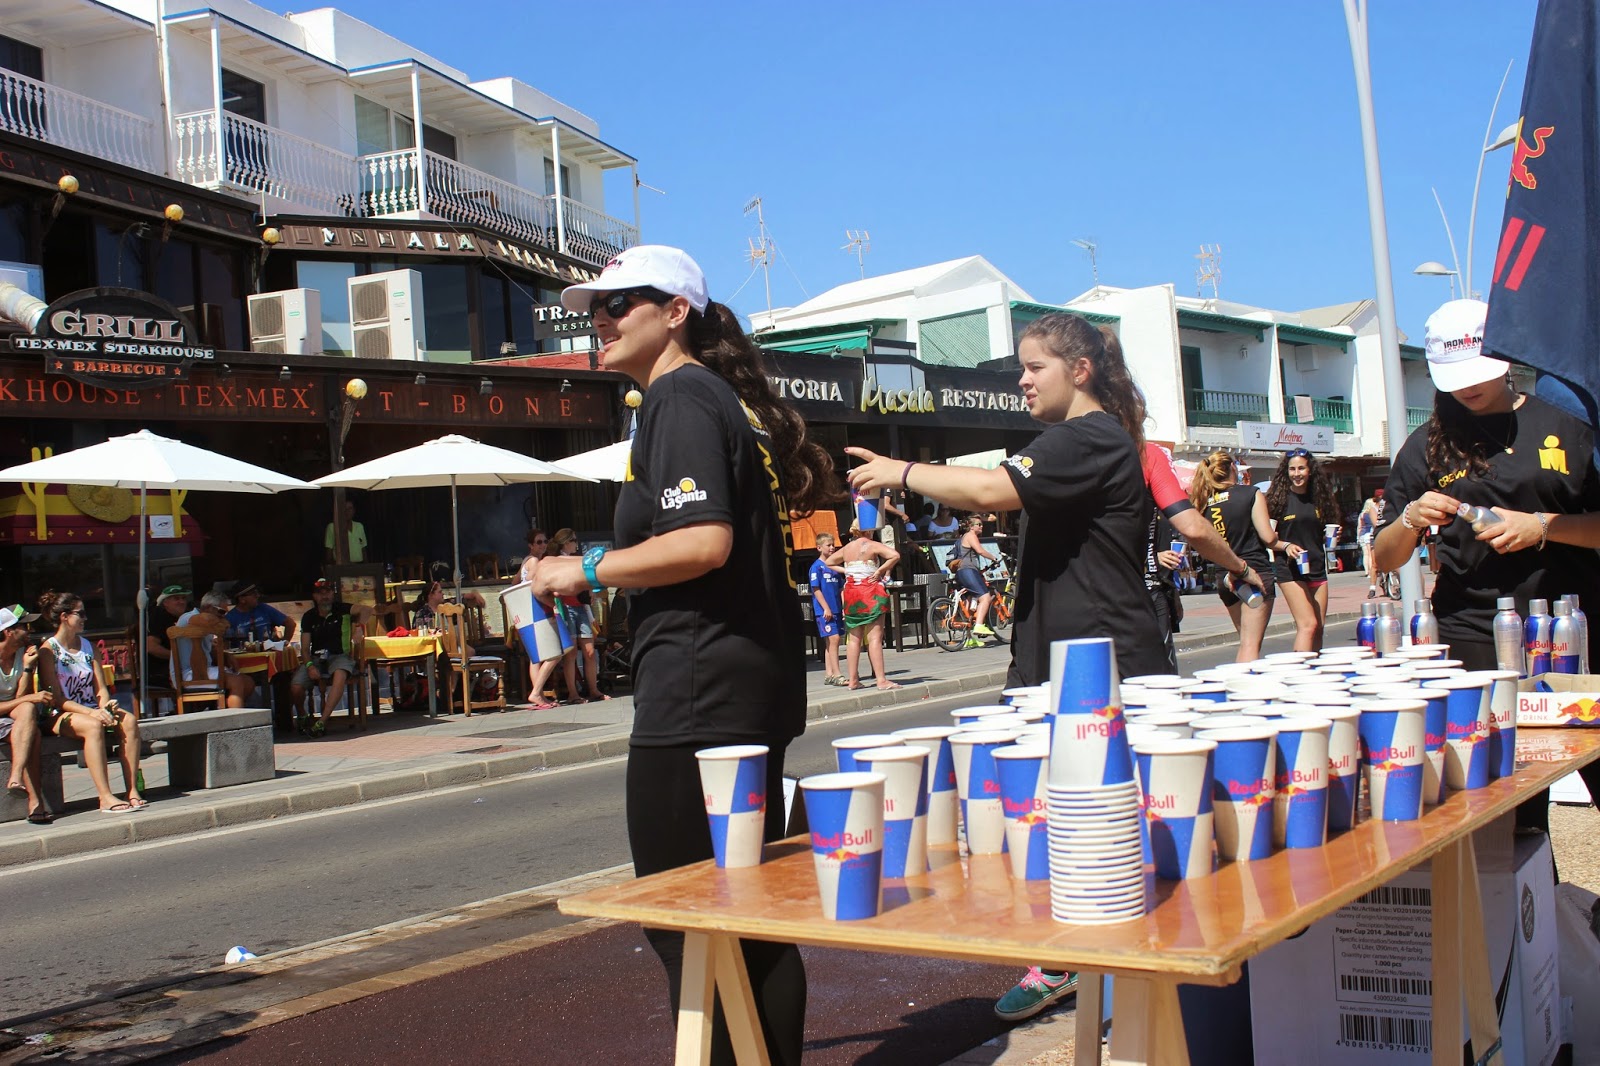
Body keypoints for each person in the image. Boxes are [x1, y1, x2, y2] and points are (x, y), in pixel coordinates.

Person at [533, 244, 831, 1066]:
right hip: (737, 683)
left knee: (686, 921)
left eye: (620, 302)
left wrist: (584, 568)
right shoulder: (711, 400)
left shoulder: (682, 397)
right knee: (741, 919)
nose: (599, 317)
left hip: (701, 691)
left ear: (675, 312)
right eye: (593, 305)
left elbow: (702, 541)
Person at [846, 311, 1177, 1021]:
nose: (1022, 381)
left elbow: (993, 489)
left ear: (1079, 371)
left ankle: (1132, 983)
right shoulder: (1067, 441)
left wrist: (899, 469)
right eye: (1020, 368)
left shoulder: (1088, 438)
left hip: (1104, 666)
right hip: (1052, 666)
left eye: (1035, 368)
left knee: (1114, 832)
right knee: (1050, 824)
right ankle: (1071, 963)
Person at [1373, 298, 1600, 812]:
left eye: (1477, 372)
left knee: (1589, 756)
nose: (1468, 388)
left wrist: (1542, 527)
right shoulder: (1426, 446)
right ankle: (1530, 890)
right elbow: (1385, 556)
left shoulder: (1567, 425)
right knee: (1502, 797)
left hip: (1570, 630)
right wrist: (1411, 518)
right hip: (1472, 631)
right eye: (1454, 377)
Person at [36, 591, 145, 813]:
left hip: (92, 710)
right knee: (93, 726)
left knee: (130, 721)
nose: (86, 618)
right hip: (60, 714)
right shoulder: (49, 650)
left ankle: (132, 789)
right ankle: (105, 796)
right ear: (65, 616)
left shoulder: (88, 646)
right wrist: (92, 713)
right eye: (81, 613)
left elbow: (101, 689)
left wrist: (105, 705)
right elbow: (56, 699)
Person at [1191, 451, 1277, 661]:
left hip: (1225, 577)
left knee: (1245, 642)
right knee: (1250, 647)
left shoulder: (1205, 503)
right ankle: (1245, 691)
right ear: (1232, 468)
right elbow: (1267, 538)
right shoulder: (1250, 494)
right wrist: (1277, 534)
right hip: (1253, 572)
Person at [1263, 448, 1340, 651]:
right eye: (1292, 469)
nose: (1297, 473)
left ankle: (1315, 671)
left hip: (1316, 565)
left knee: (1319, 628)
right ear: (1286, 472)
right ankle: (1301, 672)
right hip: (1289, 569)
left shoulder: (1320, 498)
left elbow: (1321, 532)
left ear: (1310, 470)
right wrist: (1285, 546)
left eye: (1301, 468)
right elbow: (1268, 539)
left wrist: (1331, 537)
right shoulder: (1277, 501)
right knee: (1308, 625)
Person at [826, 523, 902, 689]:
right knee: (874, 637)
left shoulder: (847, 548)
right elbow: (895, 555)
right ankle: (881, 680)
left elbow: (829, 562)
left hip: (852, 593)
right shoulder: (871, 545)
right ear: (867, 530)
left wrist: (847, 571)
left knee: (854, 638)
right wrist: (879, 571)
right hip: (870, 591)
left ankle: (853, 680)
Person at [290, 578, 367, 736]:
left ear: (333, 594)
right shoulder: (309, 617)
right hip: (316, 658)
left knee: (339, 674)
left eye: (328, 592)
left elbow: (367, 610)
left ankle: (321, 722)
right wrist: (310, 666)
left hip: (340, 655)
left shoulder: (343, 609)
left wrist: (359, 627)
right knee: (296, 686)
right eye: (320, 593)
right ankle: (303, 714)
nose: (324, 596)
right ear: (314, 596)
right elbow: (305, 648)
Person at [0, 605, 54, 825]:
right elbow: (24, 699)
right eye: (24, 626)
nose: (29, 631)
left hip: (13, 716)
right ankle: (35, 800)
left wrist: (28, 668)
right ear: (8, 632)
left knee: (28, 711)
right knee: (34, 735)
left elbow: (21, 698)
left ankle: (17, 779)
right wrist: (27, 700)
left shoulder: (25, 654)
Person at [552, 529, 610, 702]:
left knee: (589, 651)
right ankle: (573, 694)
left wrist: (589, 590)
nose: (576, 544)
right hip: (566, 607)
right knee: (570, 654)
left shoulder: (577, 559)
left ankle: (593, 689)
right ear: (566, 542)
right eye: (574, 540)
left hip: (581, 607)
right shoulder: (558, 561)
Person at [174, 591, 256, 708]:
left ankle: (226, 712)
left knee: (248, 682)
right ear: (208, 607)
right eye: (221, 611)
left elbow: (206, 650)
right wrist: (222, 622)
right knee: (236, 681)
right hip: (188, 674)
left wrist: (224, 655)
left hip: (204, 670)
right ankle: (236, 723)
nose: (223, 616)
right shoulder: (187, 618)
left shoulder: (209, 624)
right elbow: (206, 619)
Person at [953, 514, 999, 647]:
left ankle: (967, 639)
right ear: (971, 527)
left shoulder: (962, 538)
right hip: (968, 570)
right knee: (985, 597)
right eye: (978, 524)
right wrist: (993, 558)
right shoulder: (971, 536)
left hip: (961, 572)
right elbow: (980, 551)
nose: (981, 526)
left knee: (969, 604)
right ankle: (979, 625)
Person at [807, 532, 846, 685]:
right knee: (834, 639)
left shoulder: (835, 567)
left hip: (836, 608)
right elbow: (816, 589)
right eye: (828, 545)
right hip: (824, 611)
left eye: (833, 545)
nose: (832, 548)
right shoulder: (816, 567)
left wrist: (843, 607)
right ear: (819, 547)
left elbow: (841, 588)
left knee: (832, 642)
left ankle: (829, 674)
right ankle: (837, 674)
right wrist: (826, 608)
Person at [141, 584, 189, 697]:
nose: (181, 601)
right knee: (205, 677)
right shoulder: (159, 616)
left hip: (179, 668)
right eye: (176, 598)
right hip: (159, 672)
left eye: (183, 598)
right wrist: (179, 658)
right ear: (165, 602)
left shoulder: (183, 618)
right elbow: (151, 647)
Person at [226, 582, 294, 643]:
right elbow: (225, 642)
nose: (257, 596)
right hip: (243, 655)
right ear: (242, 599)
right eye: (253, 594)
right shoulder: (230, 617)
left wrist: (283, 644)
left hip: (267, 654)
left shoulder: (263, 608)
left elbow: (290, 623)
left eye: (257, 593)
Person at [1358, 490, 1386, 598]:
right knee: (1375, 564)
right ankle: (1372, 588)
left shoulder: (1388, 508)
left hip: (1387, 536)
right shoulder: (1372, 510)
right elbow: (1375, 524)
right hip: (1376, 536)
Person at [324, 499, 368, 564]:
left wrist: (367, 568)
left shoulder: (359, 526)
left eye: (350, 508)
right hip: (341, 567)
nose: (347, 511)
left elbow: (363, 549)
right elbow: (329, 552)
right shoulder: (332, 527)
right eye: (344, 508)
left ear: (354, 511)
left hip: (359, 566)